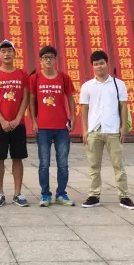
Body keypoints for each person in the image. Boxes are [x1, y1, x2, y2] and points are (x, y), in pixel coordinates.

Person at [79, 50, 134, 210]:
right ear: (92, 66)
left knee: (119, 165)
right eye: (96, 64)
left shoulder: (118, 84)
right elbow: (84, 109)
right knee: (93, 166)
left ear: (107, 64)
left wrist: (123, 128)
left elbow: (123, 106)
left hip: (113, 130)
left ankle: (124, 196)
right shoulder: (87, 86)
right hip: (94, 130)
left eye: (101, 63)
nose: (99, 66)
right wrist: (84, 130)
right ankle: (94, 195)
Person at [0, 40, 30, 207]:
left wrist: (17, 119)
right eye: (3, 51)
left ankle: (18, 193)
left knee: (17, 158)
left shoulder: (22, 74)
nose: (7, 54)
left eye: (9, 50)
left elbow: (25, 98)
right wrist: (2, 120)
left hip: (18, 124)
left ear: (14, 53)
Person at [29, 45, 76, 207]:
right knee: (44, 163)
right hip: (43, 128)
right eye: (45, 58)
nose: (48, 60)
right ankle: (45, 194)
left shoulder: (63, 77)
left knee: (63, 163)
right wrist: (34, 121)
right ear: (40, 60)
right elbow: (31, 101)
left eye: (51, 57)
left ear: (56, 59)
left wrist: (73, 117)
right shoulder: (35, 78)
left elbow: (70, 98)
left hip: (61, 127)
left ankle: (61, 193)